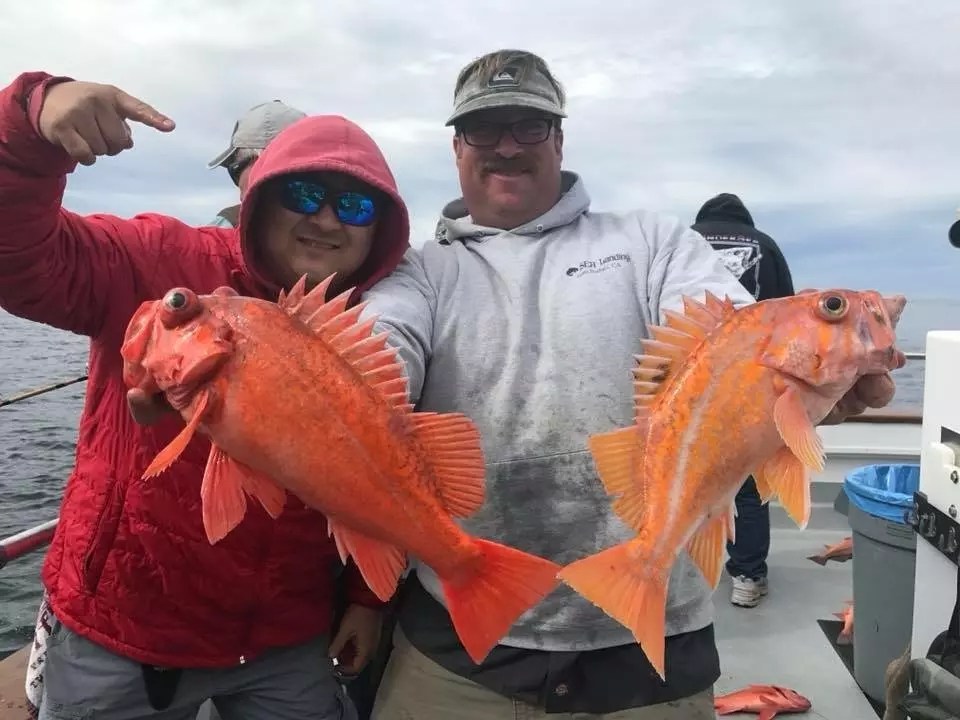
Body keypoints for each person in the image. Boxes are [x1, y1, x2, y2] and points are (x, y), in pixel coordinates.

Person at [350, 49, 903, 719]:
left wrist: (811, 383)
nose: (507, 146)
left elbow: (728, 332)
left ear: (559, 139)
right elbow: (380, 347)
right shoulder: (419, 271)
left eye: (529, 125)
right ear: (457, 146)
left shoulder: (652, 241)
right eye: (484, 128)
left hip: (652, 647)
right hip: (462, 639)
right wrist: (339, 394)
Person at [0, 70, 411, 719]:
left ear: (379, 231)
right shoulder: (159, 259)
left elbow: (380, 476)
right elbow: (22, 262)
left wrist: (366, 598)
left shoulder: (375, 324)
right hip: (125, 633)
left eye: (356, 207)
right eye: (304, 193)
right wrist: (28, 126)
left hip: (288, 638)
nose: (327, 219)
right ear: (259, 197)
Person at [691, 192, 796, 609]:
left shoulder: (683, 241)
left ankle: (682, 573)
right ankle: (748, 577)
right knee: (749, 485)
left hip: (693, 386)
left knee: (687, 480)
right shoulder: (766, 245)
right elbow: (791, 316)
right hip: (752, 387)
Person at [206, 99, 306, 227]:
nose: (238, 185)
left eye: (236, 169)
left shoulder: (231, 225)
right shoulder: (328, 220)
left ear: (264, 162)